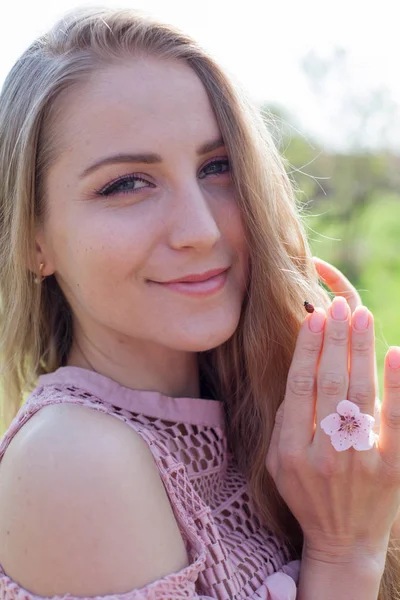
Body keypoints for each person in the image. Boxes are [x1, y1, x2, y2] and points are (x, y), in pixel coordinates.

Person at [0, 7, 399, 600]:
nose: (201, 229)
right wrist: (345, 554)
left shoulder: (252, 418)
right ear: (34, 240)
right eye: (127, 183)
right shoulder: (76, 460)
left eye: (218, 167)